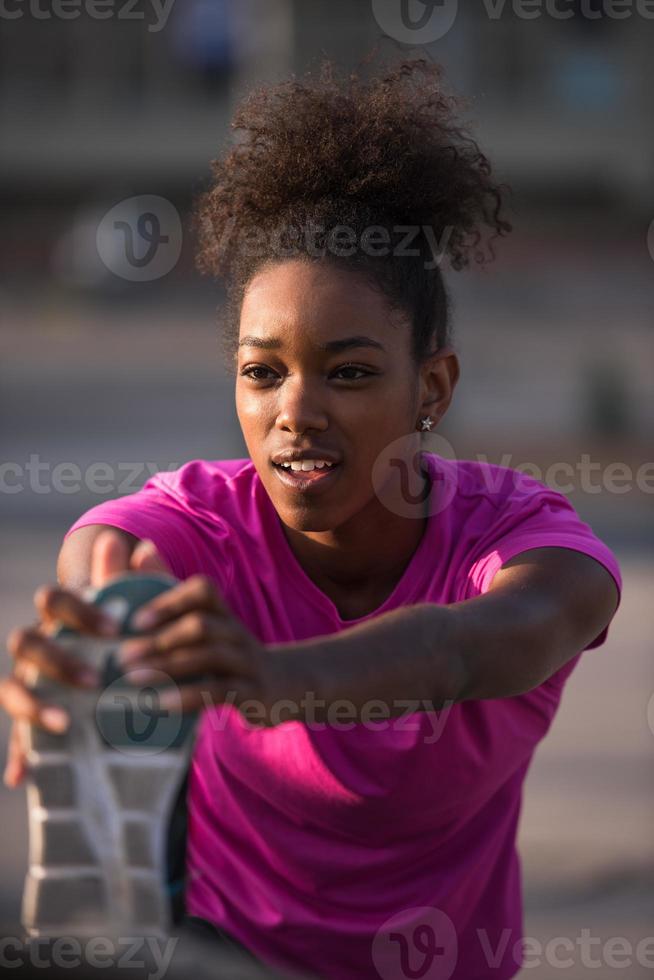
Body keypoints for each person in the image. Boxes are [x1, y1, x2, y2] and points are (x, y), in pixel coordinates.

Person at [2, 60, 622, 980]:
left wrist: (267, 677)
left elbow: (479, 644)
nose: (296, 410)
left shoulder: (517, 538)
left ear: (432, 387)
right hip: (220, 952)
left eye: (352, 371)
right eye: (263, 372)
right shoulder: (200, 524)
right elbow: (111, 550)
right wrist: (99, 641)